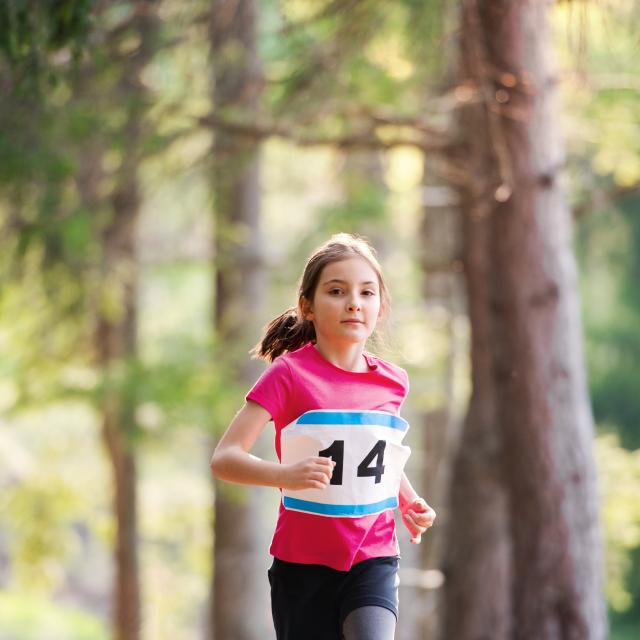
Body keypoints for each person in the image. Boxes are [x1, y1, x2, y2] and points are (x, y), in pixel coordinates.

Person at [210, 233, 436, 640]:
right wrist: (286, 475)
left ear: (380, 308)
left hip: (373, 556)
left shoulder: (393, 382)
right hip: (303, 567)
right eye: (337, 291)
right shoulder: (289, 375)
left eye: (366, 292)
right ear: (307, 306)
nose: (354, 302)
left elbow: (375, 454)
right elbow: (225, 458)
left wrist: (408, 501)